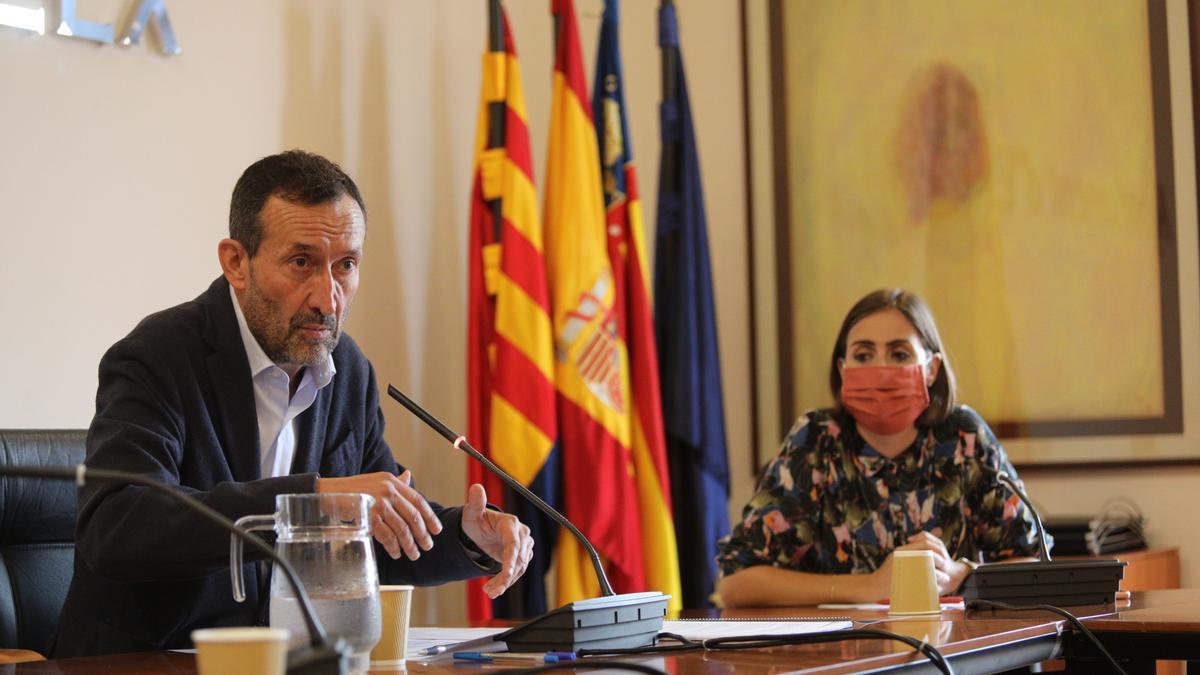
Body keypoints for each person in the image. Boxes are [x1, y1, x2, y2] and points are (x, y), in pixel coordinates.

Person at [55, 150, 534, 656]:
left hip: (289, 662)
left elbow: (377, 539)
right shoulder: (157, 356)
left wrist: (468, 537)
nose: (327, 298)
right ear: (236, 263)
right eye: (302, 262)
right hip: (146, 662)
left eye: (345, 265)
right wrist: (311, 503)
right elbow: (119, 528)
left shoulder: (347, 370)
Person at [716, 288, 1047, 608]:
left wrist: (959, 574)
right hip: (842, 657)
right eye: (863, 355)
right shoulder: (816, 441)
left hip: (956, 654)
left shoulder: (964, 437)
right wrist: (868, 586)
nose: (881, 368)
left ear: (932, 369)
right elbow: (736, 584)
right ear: (843, 370)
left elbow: (1032, 564)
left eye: (899, 354)